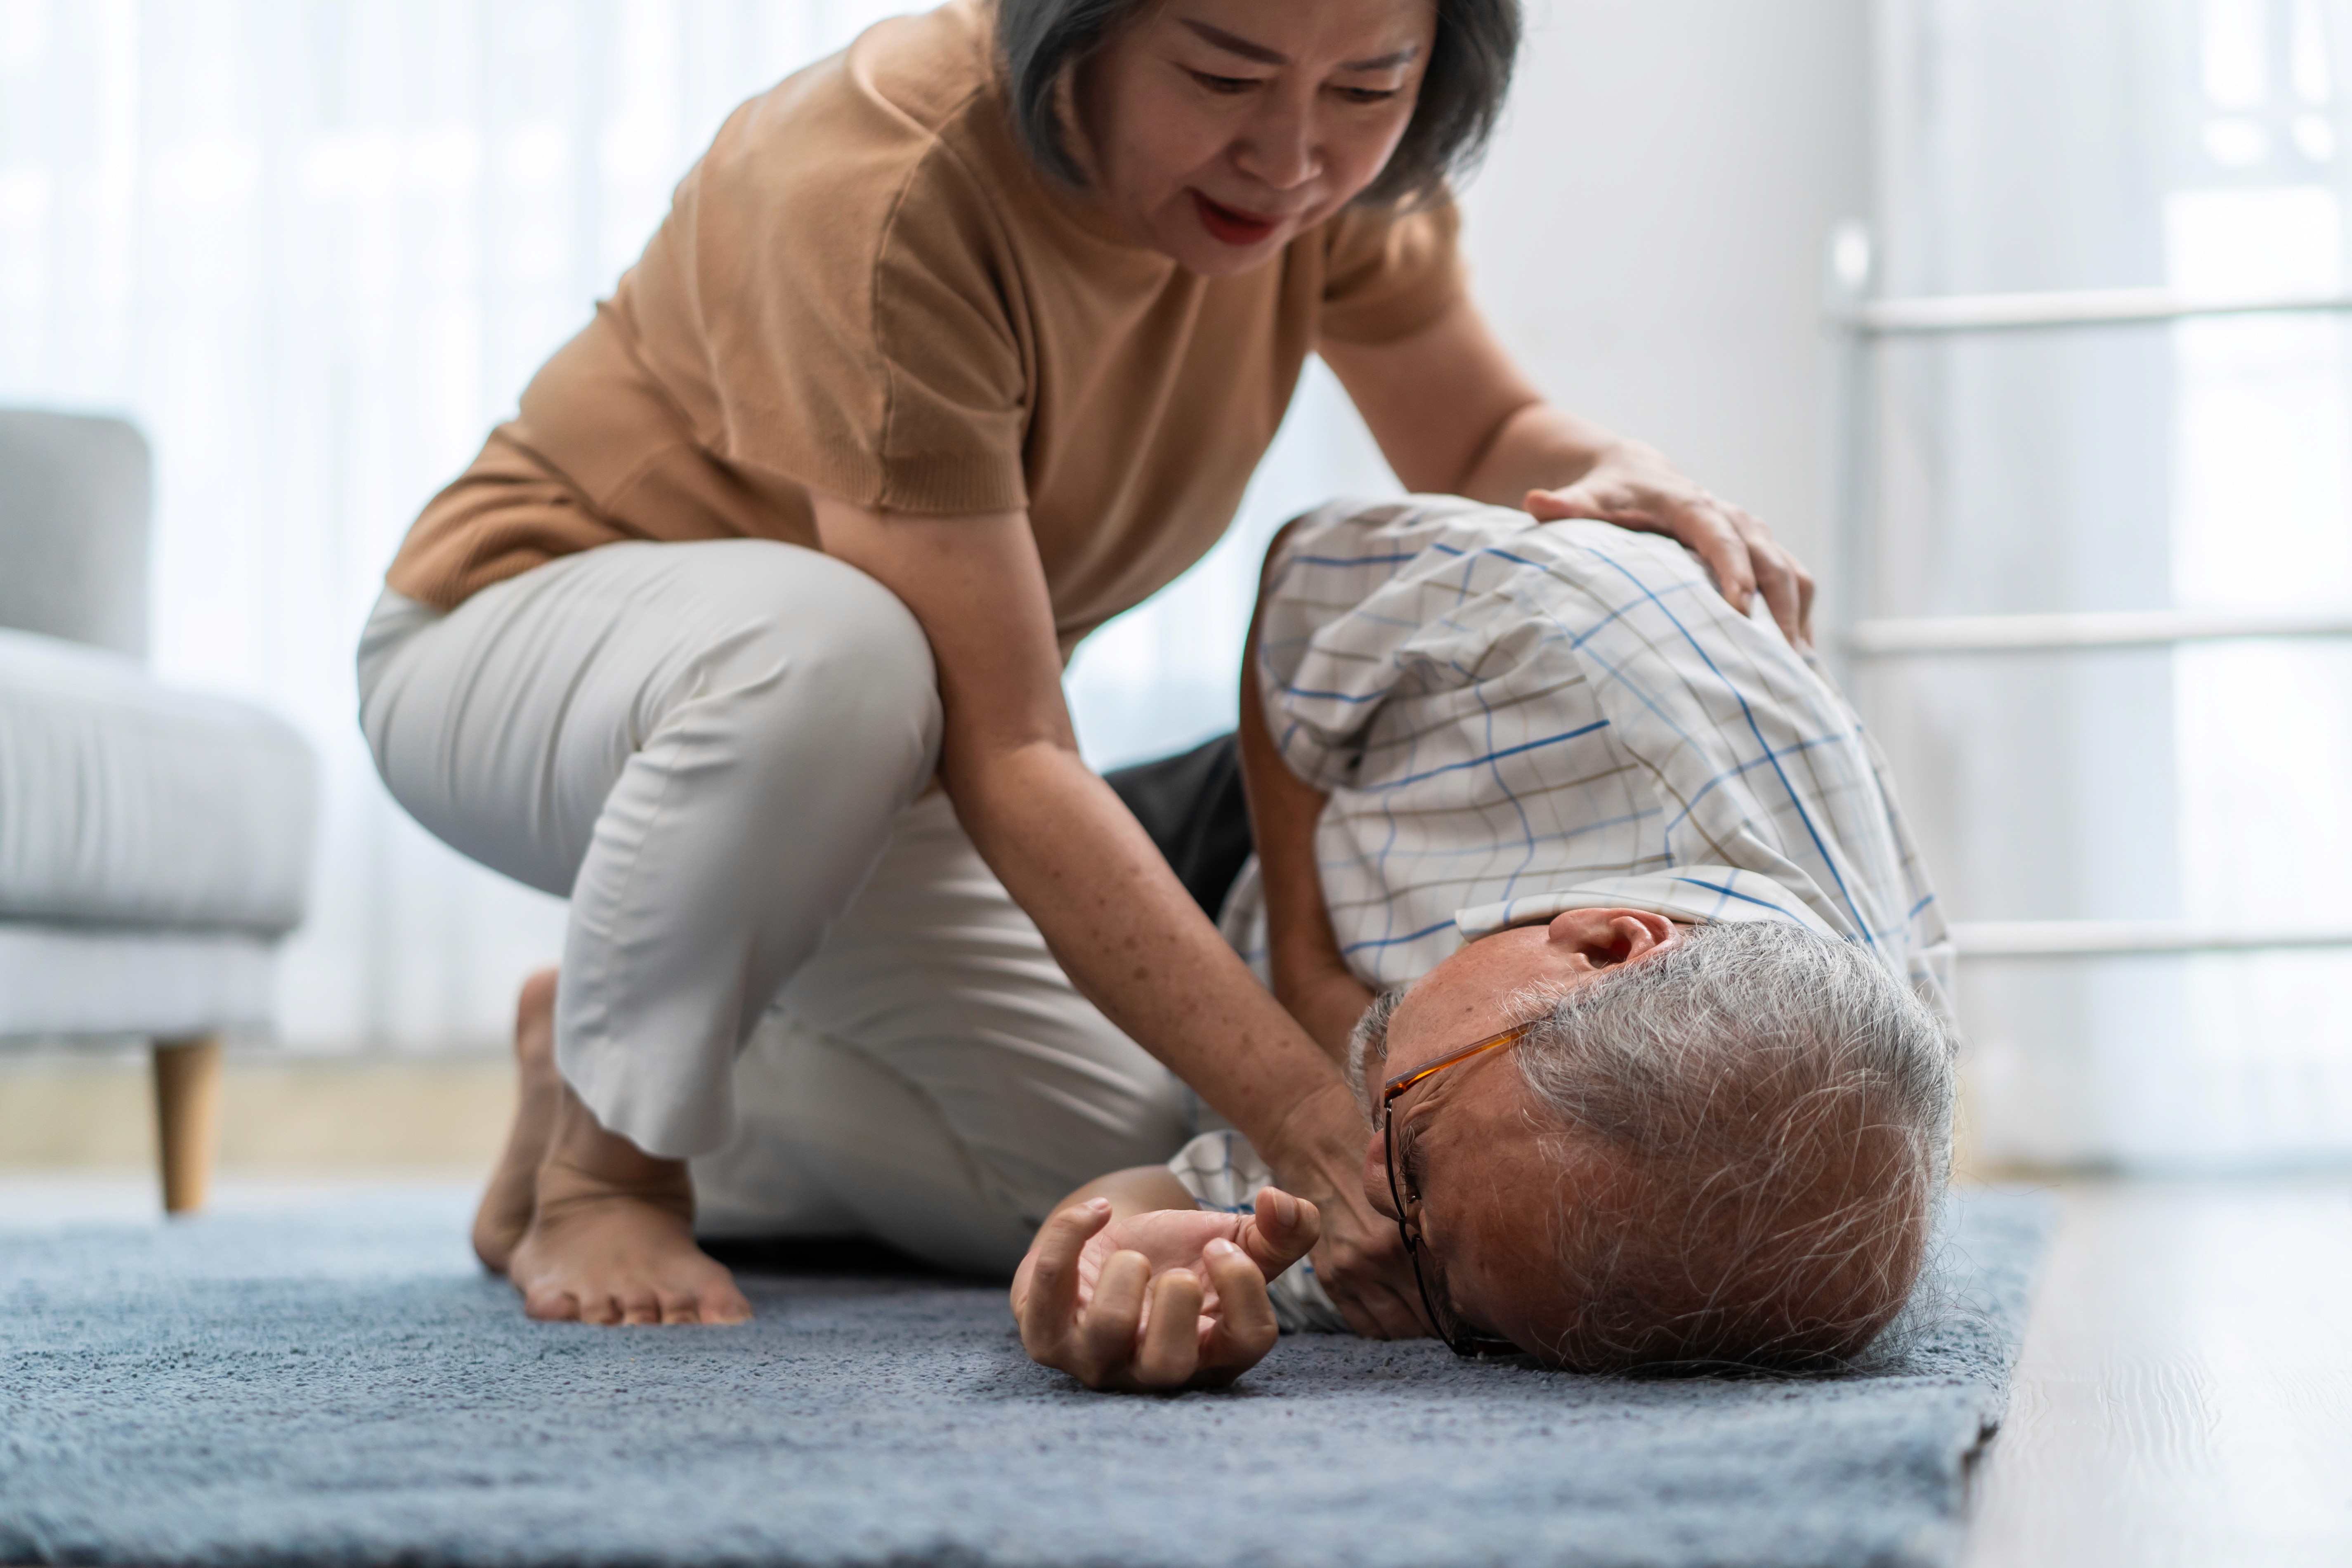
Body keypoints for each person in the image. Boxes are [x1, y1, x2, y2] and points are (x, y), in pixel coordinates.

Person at [359, 0, 1816, 1330]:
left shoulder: (1325, 186)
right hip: (522, 654)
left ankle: (598, 1048)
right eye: (1222, 76)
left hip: (889, 755)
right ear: (1073, 29)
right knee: (837, 651)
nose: (1291, 156)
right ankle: (607, 1170)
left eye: (1370, 87)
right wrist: (1315, 1117)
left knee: (1107, 1149)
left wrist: (1615, 470)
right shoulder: (883, 180)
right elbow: (1018, 749)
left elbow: (1479, 435)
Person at [1009, 497, 1957, 1388]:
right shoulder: (1576, 646)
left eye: (1443, 1274)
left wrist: (1106, 1269)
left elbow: (1173, 1202)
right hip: (1215, 835)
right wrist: (1305, 961)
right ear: (1606, 943)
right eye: (1415, 1140)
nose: (1371, 1184)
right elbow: (1304, 571)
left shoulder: (1529, 1252)